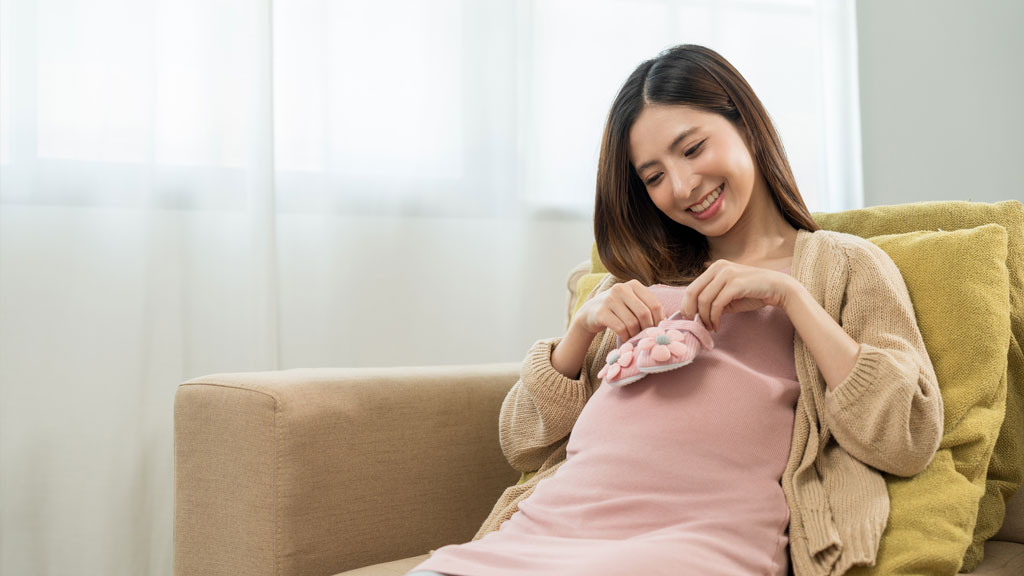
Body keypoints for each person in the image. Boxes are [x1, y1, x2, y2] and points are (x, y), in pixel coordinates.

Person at [406, 44, 943, 576]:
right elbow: (521, 441)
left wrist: (791, 298)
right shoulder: (638, 276)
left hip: (700, 535)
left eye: (692, 149)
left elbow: (907, 436)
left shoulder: (844, 265)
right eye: (654, 177)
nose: (683, 187)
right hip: (553, 526)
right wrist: (581, 329)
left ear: (746, 125)